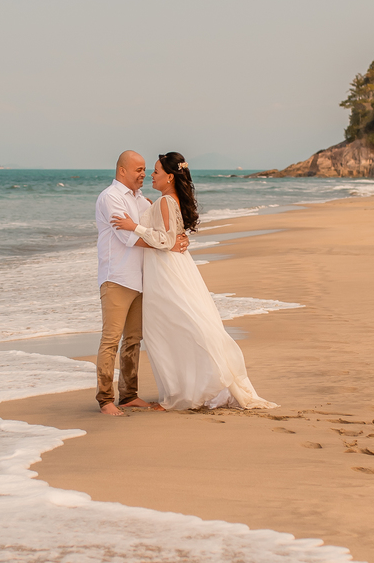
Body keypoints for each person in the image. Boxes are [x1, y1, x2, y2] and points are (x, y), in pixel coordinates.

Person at [112, 152, 274, 411]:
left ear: (169, 177)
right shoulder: (168, 200)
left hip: (166, 271)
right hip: (175, 267)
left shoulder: (166, 201)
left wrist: (134, 227)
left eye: (155, 171)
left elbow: (165, 241)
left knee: (171, 328)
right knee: (182, 325)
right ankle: (191, 387)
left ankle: (182, 393)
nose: (150, 175)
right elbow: (175, 236)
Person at [94, 150, 188, 417]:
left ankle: (129, 395)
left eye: (146, 170)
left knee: (133, 339)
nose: (143, 174)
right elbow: (129, 238)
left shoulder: (142, 201)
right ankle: (105, 399)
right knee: (111, 339)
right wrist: (169, 245)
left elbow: (163, 230)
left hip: (142, 279)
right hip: (117, 277)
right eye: (138, 170)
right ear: (122, 170)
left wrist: (180, 239)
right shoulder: (110, 198)